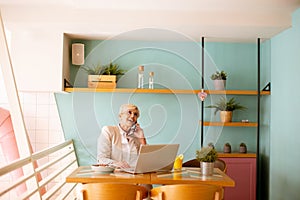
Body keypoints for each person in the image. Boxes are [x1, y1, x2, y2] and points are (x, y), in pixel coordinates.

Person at [97, 103, 147, 168]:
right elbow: (101, 159)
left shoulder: (137, 136)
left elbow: (147, 161)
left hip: (136, 176)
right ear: (120, 116)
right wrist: (116, 163)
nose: (132, 116)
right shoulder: (108, 131)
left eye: (135, 114)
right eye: (129, 112)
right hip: (115, 175)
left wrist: (142, 138)